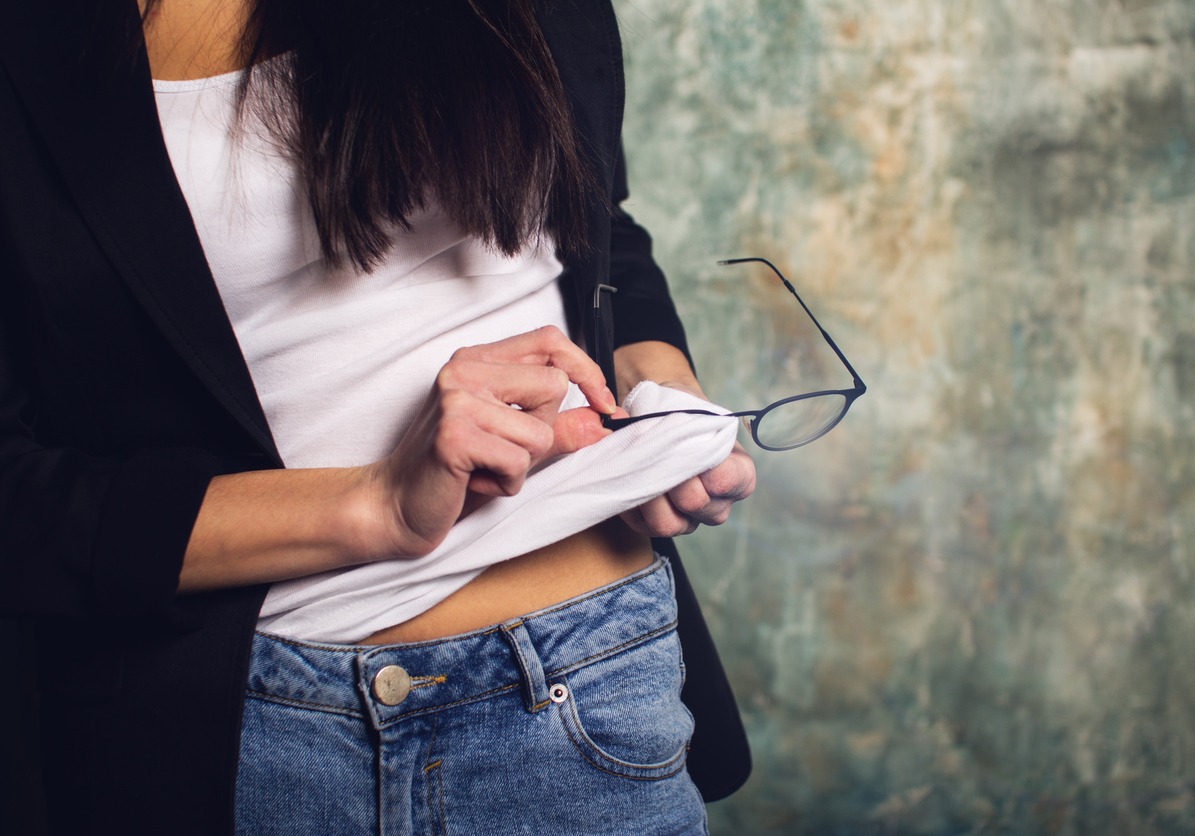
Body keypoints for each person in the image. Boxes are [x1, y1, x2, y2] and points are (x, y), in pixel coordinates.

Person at [0, 0, 756, 833]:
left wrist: (662, 404)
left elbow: (597, 232)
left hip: (575, 683)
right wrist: (376, 505)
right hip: (226, 743)